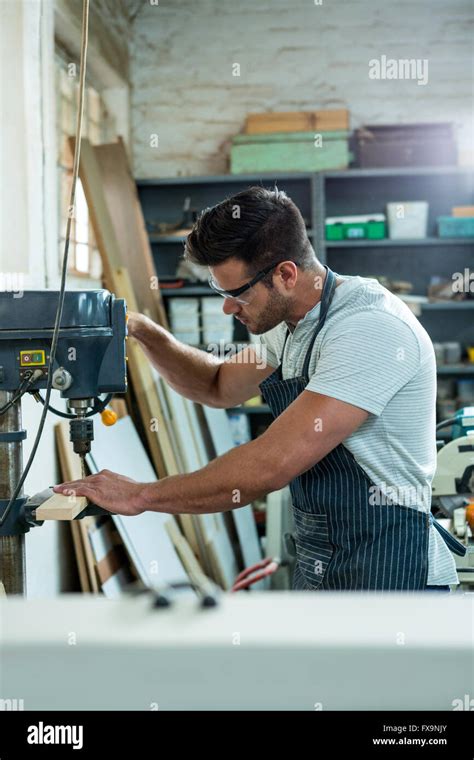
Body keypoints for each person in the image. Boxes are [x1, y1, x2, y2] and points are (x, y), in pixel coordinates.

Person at [54, 187, 465, 590]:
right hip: (324, 560)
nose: (227, 308)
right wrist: (141, 330)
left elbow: (272, 464)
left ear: (286, 274)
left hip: (392, 569)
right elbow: (217, 385)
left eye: (237, 294)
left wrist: (141, 495)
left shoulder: (367, 329)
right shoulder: (291, 328)